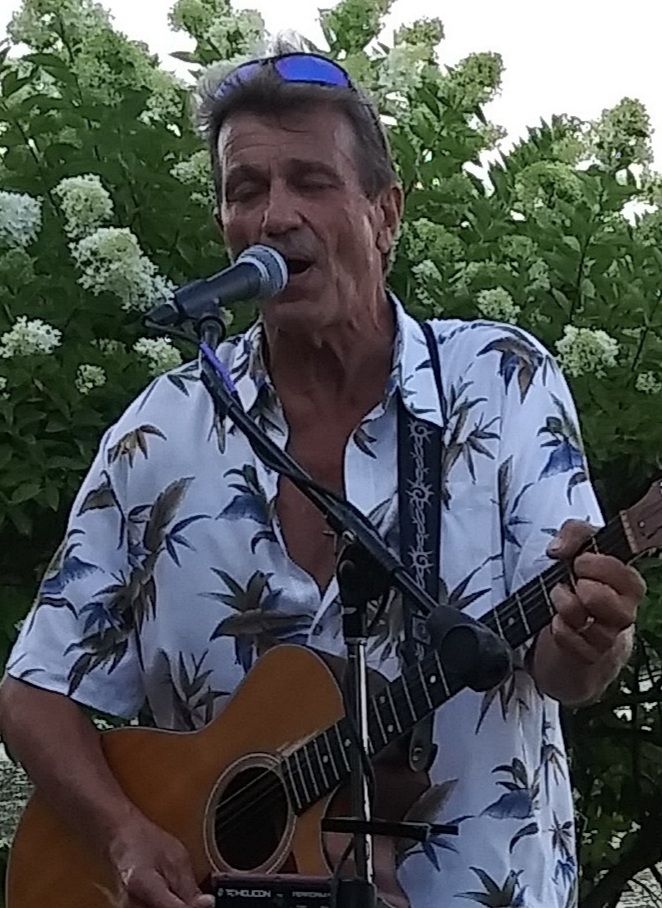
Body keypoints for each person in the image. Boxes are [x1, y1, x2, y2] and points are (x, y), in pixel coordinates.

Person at [0, 47, 645, 908]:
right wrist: (122, 834)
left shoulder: (503, 382)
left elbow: (568, 672)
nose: (276, 216)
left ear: (386, 214)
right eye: (246, 190)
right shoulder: (161, 430)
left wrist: (592, 638)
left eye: (311, 181)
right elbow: (33, 688)